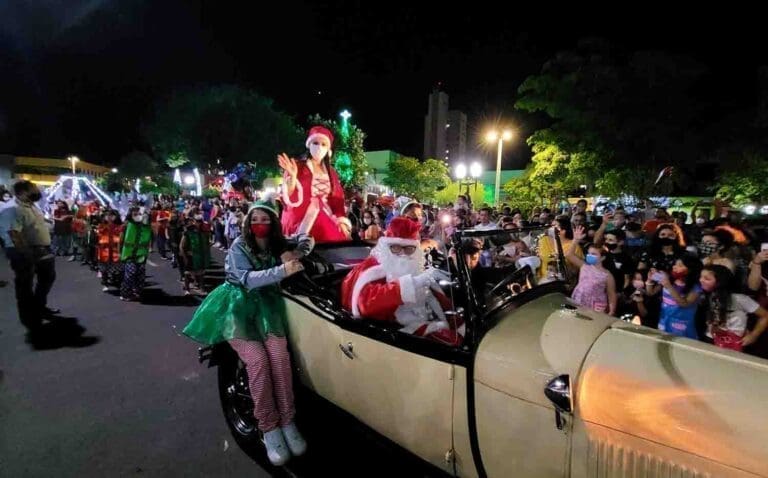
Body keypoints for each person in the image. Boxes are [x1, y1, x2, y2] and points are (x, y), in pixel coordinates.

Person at [183, 201, 313, 466]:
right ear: (248, 222)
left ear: (274, 223)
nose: (260, 224)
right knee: (257, 362)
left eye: (266, 220)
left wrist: (294, 251)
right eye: (256, 219)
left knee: (280, 359)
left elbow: (307, 240)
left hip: (268, 307)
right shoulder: (239, 246)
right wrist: (282, 270)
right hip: (237, 308)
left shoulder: (278, 243)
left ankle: (288, 421)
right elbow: (246, 278)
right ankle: (268, 427)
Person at [340, 217, 459, 344]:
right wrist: (412, 284)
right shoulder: (373, 268)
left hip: (417, 327)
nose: (402, 254)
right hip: (381, 336)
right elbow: (365, 304)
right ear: (386, 246)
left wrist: (454, 316)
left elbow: (438, 299)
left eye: (408, 249)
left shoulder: (415, 266)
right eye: (396, 248)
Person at [278, 126, 351, 242]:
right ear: (309, 145)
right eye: (315, 143)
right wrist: (292, 176)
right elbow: (288, 195)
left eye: (323, 144)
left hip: (327, 216)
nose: (319, 147)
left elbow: (337, 199)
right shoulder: (297, 166)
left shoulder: (331, 172)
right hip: (300, 217)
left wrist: (341, 221)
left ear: (328, 149)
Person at [8, 180, 60, 332]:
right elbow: (14, 233)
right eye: (33, 189)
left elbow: (36, 222)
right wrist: (25, 254)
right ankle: (30, 318)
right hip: (31, 251)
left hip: (43, 248)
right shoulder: (15, 209)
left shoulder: (31, 205)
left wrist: (47, 222)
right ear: (22, 192)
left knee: (47, 278)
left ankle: (39, 307)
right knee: (25, 286)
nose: (37, 192)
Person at [700, 265, 768, 351]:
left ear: (720, 282)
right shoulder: (706, 296)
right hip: (711, 339)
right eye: (700, 277)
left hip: (735, 342)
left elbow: (765, 315)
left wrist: (754, 335)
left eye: (707, 279)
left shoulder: (739, 299)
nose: (701, 280)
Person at [119, 207, 152, 301]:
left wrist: (149, 248)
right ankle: (125, 293)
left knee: (140, 274)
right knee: (130, 273)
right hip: (128, 254)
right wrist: (119, 252)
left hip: (141, 255)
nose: (138, 216)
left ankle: (137, 291)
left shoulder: (145, 226)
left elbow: (150, 237)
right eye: (135, 214)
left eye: (139, 214)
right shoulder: (126, 225)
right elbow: (121, 240)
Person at [96, 209, 124, 292]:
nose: (109, 217)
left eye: (112, 215)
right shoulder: (101, 226)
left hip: (116, 249)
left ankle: (116, 281)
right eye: (107, 215)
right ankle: (105, 283)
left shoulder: (120, 227)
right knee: (104, 268)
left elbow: (121, 238)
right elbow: (99, 236)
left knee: (117, 268)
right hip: (104, 250)